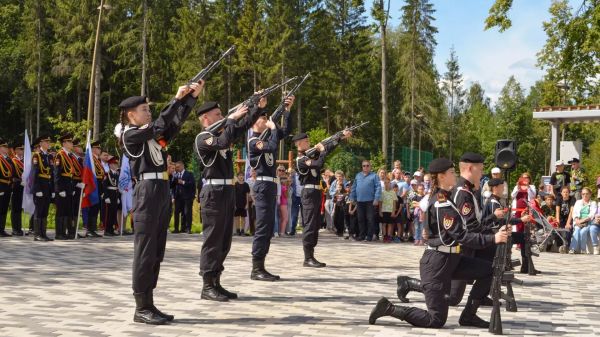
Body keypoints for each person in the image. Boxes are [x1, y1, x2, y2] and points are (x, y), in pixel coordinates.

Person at [369, 158, 509, 329]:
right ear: (441, 176)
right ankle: (389, 308)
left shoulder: (445, 198)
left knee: (490, 270)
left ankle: (468, 316)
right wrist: (493, 238)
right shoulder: (442, 203)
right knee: (435, 320)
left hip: (452, 259)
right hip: (437, 264)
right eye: (451, 173)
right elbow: (461, 235)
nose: (455, 175)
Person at [118, 81, 203, 324]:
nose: (149, 112)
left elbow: (171, 125)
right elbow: (160, 124)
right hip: (146, 190)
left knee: (156, 250)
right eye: (144, 109)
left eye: (148, 109)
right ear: (131, 115)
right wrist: (176, 99)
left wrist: (190, 100)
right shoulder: (131, 135)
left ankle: (149, 303)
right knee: (144, 251)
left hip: (161, 189)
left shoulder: (151, 133)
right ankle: (140, 307)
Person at [195, 95, 261, 300]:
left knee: (225, 240)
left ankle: (216, 280)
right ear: (206, 118)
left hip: (226, 192)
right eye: (218, 115)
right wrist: (232, 120)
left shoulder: (221, 132)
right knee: (213, 240)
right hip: (213, 193)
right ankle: (207, 285)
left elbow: (242, 127)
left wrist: (256, 109)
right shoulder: (203, 137)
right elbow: (223, 140)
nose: (222, 117)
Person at [246, 94, 293, 281]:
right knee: (263, 227)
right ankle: (256, 268)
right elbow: (272, 146)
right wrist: (273, 128)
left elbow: (286, 132)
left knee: (268, 228)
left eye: (267, 117)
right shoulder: (254, 141)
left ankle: (261, 266)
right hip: (263, 185)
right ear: (253, 123)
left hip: (271, 185)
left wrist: (287, 111)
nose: (265, 120)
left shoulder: (267, 135)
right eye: (262, 118)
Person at [293, 129, 352, 267]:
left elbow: (328, 148)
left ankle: (311, 255)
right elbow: (318, 164)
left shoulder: (309, 155)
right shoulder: (301, 160)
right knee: (309, 225)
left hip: (316, 193)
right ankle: (307, 257)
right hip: (308, 193)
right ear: (299, 143)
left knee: (315, 224)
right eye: (306, 141)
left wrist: (339, 137)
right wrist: (322, 150)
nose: (309, 143)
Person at [349, 160, 381, 242]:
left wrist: (376, 199)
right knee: (360, 219)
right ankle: (362, 236)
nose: (365, 167)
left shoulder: (374, 176)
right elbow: (354, 187)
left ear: (370, 167)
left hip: (370, 201)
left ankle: (369, 236)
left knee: (370, 219)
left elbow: (378, 187)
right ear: (362, 167)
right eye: (364, 166)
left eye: (367, 165)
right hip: (359, 201)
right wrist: (352, 197)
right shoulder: (358, 175)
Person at [53, 133, 76, 240]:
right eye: (70, 142)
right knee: (61, 211)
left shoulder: (69, 156)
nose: (72, 144)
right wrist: (59, 189)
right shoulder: (59, 155)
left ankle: (65, 232)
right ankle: (59, 233)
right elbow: (57, 174)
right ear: (64, 143)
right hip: (62, 186)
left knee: (67, 210)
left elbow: (70, 174)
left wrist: (72, 188)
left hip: (68, 186)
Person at [31, 135, 53, 241]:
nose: (48, 143)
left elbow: (51, 173)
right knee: (39, 211)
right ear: (40, 143)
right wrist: (37, 189)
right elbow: (35, 174)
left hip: (47, 186)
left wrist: (52, 190)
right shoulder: (37, 156)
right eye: (46, 142)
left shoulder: (49, 156)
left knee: (45, 211)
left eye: (49, 142)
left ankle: (43, 234)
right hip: (40, 186)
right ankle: (37, 235)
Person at [569, 187, 596, 254]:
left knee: (583, 232)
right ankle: (572, 249)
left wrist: (581, 221)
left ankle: (583, 249)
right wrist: (576, 220)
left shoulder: (593, 203)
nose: (585, 195)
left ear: (590, 194)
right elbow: (574, 213)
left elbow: (591, 215)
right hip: (578, 222)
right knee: (577, 230)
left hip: (588, 222)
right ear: (581, 194)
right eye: (583, 194)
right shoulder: (578, 202)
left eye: (587, 194)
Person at [171, 161, 196, 234]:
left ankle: (187, 229)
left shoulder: (189, 174)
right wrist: (173, 179)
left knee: (187, 213)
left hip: (187, 197)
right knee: (176, 213)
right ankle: (176, 229)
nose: (176, 169)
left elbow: (192, 184)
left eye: (178, 167)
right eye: (176, 167)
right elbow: (172, 186)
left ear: (182, 166)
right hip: (178, 197)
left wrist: (183, 182)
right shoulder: (175, 175)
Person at [101, 156, 121, 236]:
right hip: (109, 194)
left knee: (113, 213)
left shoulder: (116, 174)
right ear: (110, 165)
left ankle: (111, 229)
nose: (116, 165)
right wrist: (106, 197)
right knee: (108, 214)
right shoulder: (107, 174)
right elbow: (104, 186)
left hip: (114, 195)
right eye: (114, 164)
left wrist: (118, 197)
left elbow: (117, 187)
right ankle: (107, 230)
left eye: (116, 164)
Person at [0, 138, 15, 237]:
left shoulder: (9, 159)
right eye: (4, 147)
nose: (6, 148)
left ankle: (2, 229)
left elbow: (12, 172)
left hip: (8, 186)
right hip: (0, 186)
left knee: (4, 209)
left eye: (7, 147)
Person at [10, 143, 25, 236]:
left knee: (20, 208)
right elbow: (11, 174)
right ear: (15, 150)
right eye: (20, 149)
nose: (22, 151)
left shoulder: (25, 161)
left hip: (24, 186)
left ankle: (19, 228)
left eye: (22, 149)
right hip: (16, 185)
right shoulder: (13, 161)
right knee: (15, 208)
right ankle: (15, 229)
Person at [379, 177, 398, 243]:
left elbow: (394, 202)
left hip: (390, 210)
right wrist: (380, 211)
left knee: (390, 224)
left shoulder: (393, 192)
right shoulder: (382, 192)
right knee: (384, 224)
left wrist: (393, 211)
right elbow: (380, 202)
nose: (386, 184)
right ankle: (385, 236)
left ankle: (389, 236)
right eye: (385, 183)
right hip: (384, 210)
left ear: (390, 183)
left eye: (388, 183)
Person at [233, 172, 250, 236]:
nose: (241, 177)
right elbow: (233, 195)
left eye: (242, 175)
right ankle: (237, 231)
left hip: (243, 203)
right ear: (237, 177)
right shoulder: (235, 184)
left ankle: (242, 231)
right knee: (237, 217)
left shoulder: (246, 185)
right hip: (236, 203)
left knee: (243, 218)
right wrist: (234, 204)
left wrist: (247, 204)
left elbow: (247, 195)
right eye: (240, 175)